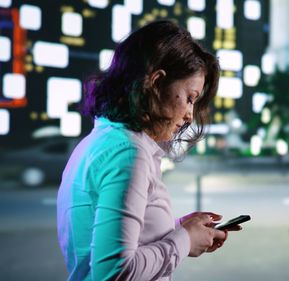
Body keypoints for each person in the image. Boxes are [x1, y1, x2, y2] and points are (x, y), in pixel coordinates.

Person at [57, 20, 237, 281]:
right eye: (189, 97)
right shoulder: (128, 154)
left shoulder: (102, 142)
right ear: (156, 82)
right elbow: (113, 272)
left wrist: (180, 230)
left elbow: (121, 244)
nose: (189, 115)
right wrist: (184, 240)